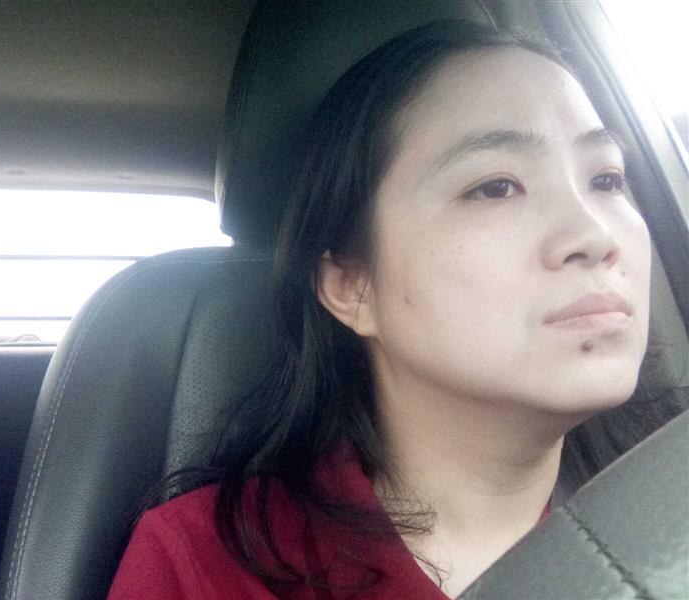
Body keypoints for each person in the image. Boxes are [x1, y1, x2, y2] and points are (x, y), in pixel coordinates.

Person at [107, 19, 671, 599]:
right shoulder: (204, 564)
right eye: (495, 187)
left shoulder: (671, 507)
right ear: (352, 287)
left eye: (607, 179)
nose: (594, 234)